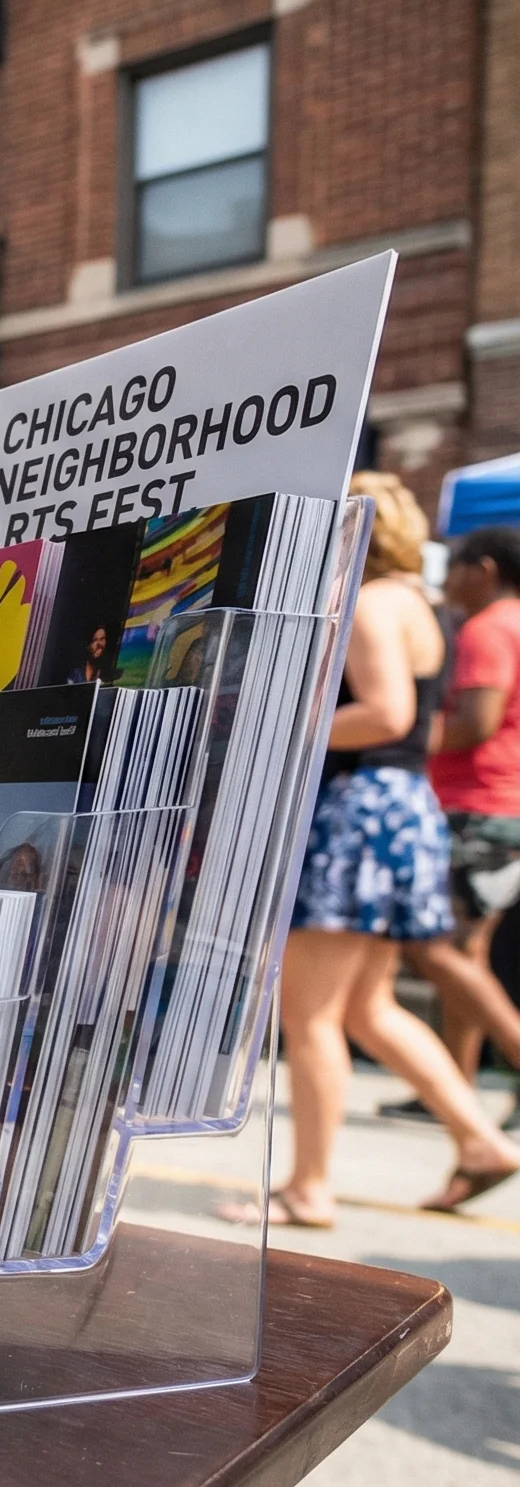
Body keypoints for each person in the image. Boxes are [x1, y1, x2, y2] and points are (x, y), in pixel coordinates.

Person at [231, 487, 520, 1227]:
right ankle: (481, 1140)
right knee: (365, 1006)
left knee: (313, 1014)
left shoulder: (368, 602)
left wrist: (280, 720)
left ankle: (308, 1187)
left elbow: (388, 712)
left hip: (359, 810)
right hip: (398, 806)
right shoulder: (419, 604)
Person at [403, 524, 520, 1122]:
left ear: (487, 569)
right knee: (465, 951)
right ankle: (450, 1088)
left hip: (477, 805)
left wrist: (403, 741)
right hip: (504, 805)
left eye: (454, 566)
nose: (447, 580)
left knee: (436, 947)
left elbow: (478, 720)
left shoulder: (488, 628)